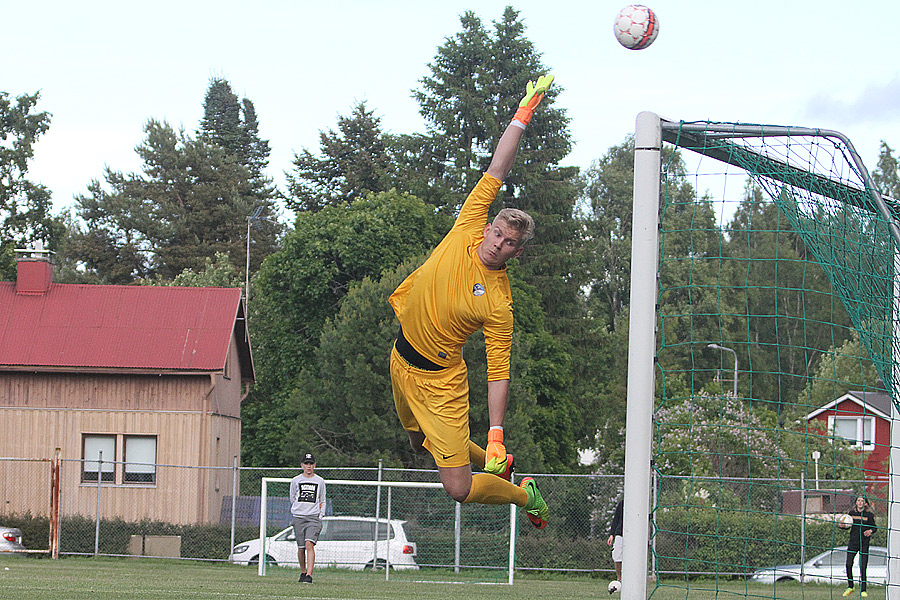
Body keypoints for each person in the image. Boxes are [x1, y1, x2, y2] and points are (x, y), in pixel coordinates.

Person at [388, 74, 554, 529]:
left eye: (508, 242)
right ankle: (497, 462)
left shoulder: (499, 303)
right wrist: (523, 113)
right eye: (496, 232)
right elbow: (497, 170)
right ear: (487, 227)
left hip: (441, 382)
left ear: (516, 252)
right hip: (400, 357)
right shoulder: (468, 226)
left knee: (458, 488)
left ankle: (524, 496)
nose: (497, 243)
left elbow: (498, 371)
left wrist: (496, 432)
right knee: (417, 436)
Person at [289, 452, 326, 584]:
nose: (308, 466)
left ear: (314, 465)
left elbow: (323, 499)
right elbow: (292, 497)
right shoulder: (295, 480)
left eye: (311, 464)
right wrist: (297, 510)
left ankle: (309, 575)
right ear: (302, 465)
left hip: (313, 518)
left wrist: (320, 515)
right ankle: (303, 572)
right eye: (306, 464)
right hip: (299, 517)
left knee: (309, 543)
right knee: (301, 547)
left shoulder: (320, 481)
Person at [843, 495, 877, 597]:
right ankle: (850, 586)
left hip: (864, 543)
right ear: (856, 502)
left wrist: (870, 531)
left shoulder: (869, 515)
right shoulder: (851, 514)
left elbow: (874, 528)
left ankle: (863, 590)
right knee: (848, 564)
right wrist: (842, 526)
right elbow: (846, 525)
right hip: (853, 543)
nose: (860, 502)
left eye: (862, 501)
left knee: (863, 566)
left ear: (865, 503)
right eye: (858, 501)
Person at [607, 497, 624, 582]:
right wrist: (611, 534)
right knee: (617, 556)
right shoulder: (622, 503)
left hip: (634, 536)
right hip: (620, 534)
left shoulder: (639, 504)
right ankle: (619, 579)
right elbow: (616, 519)